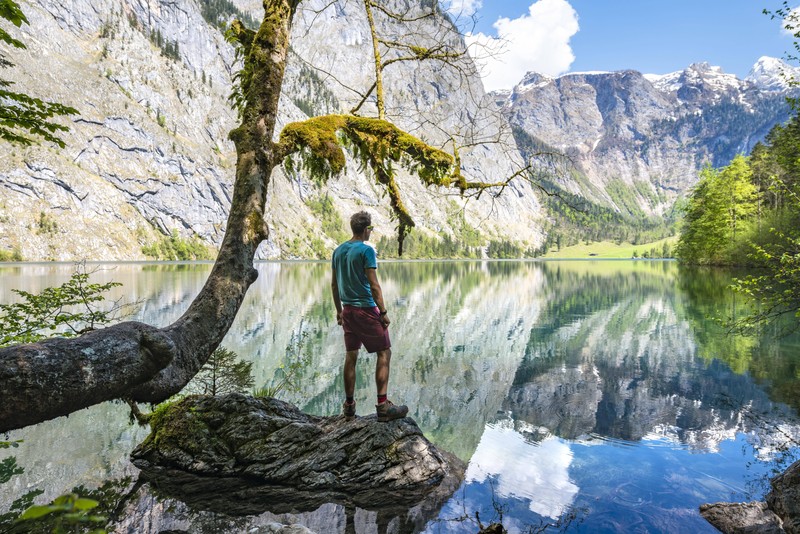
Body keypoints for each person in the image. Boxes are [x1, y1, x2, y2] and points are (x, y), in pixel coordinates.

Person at [331, 211, 409, 422]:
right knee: (384, 353)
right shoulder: (367, 251)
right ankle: (383, 406)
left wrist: (339, 311)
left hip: (347, 310)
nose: (371, 233)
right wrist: (382, 312)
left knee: (351, 355)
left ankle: (349, 407)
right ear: (366, 230)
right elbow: (374, 285)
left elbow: (334, 285)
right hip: (366, 309)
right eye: (371, 229)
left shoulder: (338, 251)